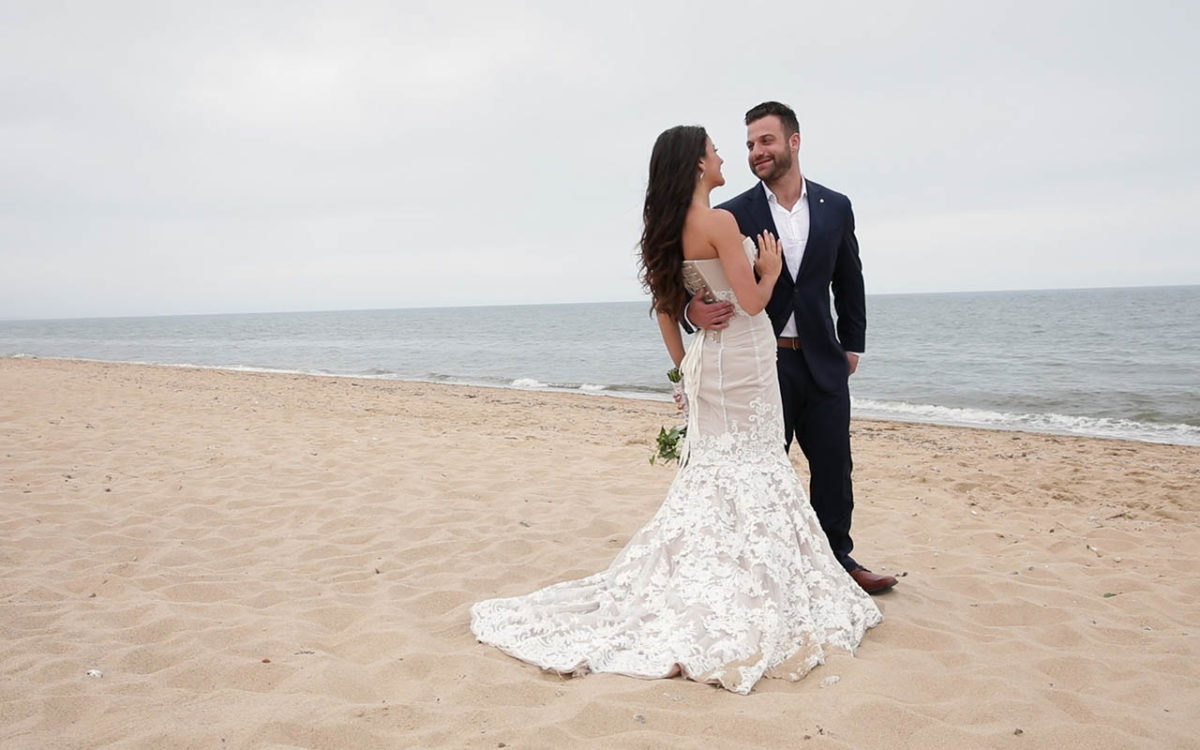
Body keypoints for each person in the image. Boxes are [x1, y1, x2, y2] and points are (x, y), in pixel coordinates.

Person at [470, 125, 881, 695]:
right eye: (718, 149)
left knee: (730, 468)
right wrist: (766, 267)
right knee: (757, 463)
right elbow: (753, 302)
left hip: (713, 363)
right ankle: (763, 577)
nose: (727, 157)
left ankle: (794, 560)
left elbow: (665, 308)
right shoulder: (723, 220)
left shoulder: (665, 228)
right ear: (696, 164)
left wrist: (683, 365)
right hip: (748, 359)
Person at [686, 102, 897, 594]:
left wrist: (852, 346)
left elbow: (850, 280)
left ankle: (839, 563)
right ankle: (765, 569)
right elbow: (687, 283)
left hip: (825, 358)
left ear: (793, 142)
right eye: (749, 146)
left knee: (834, 466)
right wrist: (692, 314)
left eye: (765, 141)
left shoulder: (836, 205)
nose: (756, 152)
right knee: (763, 468)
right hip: (762, 361)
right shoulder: (730, 212)